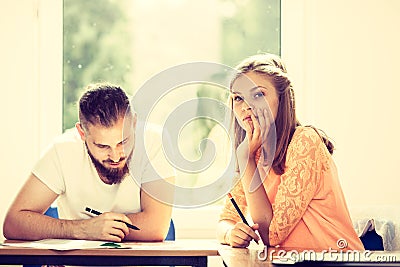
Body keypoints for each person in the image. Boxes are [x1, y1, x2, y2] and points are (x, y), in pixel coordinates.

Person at [217, 53, 364, 251]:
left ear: (281, 98)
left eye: (258, 94)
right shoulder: (255, 152)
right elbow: (227, 219)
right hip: (293, 262)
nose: (246, 107)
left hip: (336, 260)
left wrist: (246, 159)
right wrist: (230, 233)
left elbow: (272, 235)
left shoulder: (305, 141)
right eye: (238, 98)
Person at [3, 83, 175, 242]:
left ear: (135, 123)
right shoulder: (63, 150)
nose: (115, 156)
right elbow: (13, 223)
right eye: (102, 146)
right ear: (82, 133)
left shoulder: (154, 142)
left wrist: (102, 228)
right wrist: (83, 229)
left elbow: (156, 227)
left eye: (123, 142)